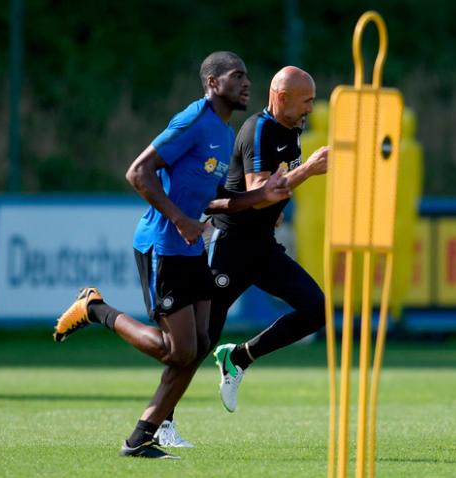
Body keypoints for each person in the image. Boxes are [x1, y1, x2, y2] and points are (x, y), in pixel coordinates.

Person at [52, 51, 290, 459]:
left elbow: (217, 199)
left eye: (247, 76)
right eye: (237, 76)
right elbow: (138, 173)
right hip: (162, 245)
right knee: (176, 350)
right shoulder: (193, 121)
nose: (247, 83)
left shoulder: (223, 132)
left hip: (192, 247)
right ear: (213, 83)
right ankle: (95, 309)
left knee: (198, 345)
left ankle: (140, 437)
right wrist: (180, 220)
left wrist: (261, 196)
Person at [165, 66, 328, 426]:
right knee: (200, 339)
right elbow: (258, 191)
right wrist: (309, 170)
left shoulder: (292, 132)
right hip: (230, 245)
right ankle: (162, 421)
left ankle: (239, 358)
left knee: (317, 308)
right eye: (306, 102)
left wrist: (277, 210)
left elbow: (271, 192)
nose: (310, 110)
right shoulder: (259, 129)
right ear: (282, 97)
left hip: (262, 247)